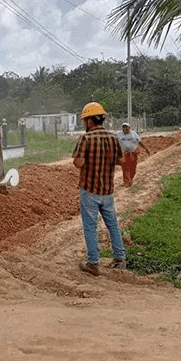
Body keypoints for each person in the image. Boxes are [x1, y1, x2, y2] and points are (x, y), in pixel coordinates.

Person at [72, 102, 127, 275]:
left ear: (89, 121)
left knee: (90, 226)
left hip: (89, 190)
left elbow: (78, 163)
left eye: (84, 121)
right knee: (113, 225)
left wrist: (86, 158)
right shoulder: (113, 138)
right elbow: (122, 161)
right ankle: (120, 259)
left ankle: (93, 263)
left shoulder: (85, 139)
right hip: (107, 191)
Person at [116, 122, 150, 187]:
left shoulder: (134, 134)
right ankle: (126, 182)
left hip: (133, 154)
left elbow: (140, 142)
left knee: (133, 168)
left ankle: (130, 179)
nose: (125, 128)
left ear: (129, 128)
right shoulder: (118, 134)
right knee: (125, 168)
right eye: (123, 127)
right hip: (124, 154)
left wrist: (146, 149)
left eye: (126, 127)